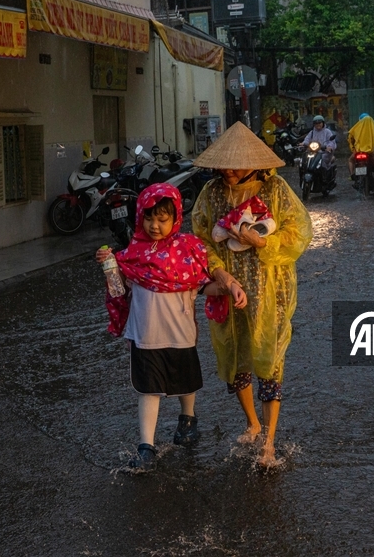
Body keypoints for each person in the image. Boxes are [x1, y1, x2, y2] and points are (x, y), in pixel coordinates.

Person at [97, 183, 246, 471]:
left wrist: (231, 288)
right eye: (149, 218)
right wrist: (109, 266)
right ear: (140, 216)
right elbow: (119, 292)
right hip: (145, 336)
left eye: (162, 219)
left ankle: (187, 418)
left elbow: (203, 287)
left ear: (175, 217)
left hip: (180, 336)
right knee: (147, 390)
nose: (155, 226)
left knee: (185, 384)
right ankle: (146, 446)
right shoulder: (131, 253)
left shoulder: (188, 251)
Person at [191, 122, 313, 468]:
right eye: (224, 164)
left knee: (270, 359)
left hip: (270, 287)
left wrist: (263, 241)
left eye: (236, 164)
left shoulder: (276, 189)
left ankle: (269, 442)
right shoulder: (211, 193)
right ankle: (252, 423)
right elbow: (200, 238)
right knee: (236, 356)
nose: (228, 171)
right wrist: (220, 273)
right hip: (229, 289)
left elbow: (300, 230)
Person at [346, 113, 374, 179]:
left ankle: (351, 175)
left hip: (358, 151)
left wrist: (354, 148)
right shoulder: (373, 129)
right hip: (370, 151)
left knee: (351, 160)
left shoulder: (356, 129)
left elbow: (350, 138)